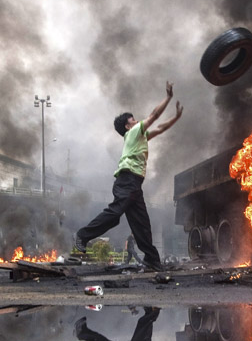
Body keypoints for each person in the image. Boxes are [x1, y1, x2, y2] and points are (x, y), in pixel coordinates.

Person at [73, 82, 184, 271]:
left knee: (142, 223)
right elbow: (154, 116)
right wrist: (168, 97)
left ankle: (152, 261)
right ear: (128, 125)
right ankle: (82, 236)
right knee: (115, 214)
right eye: (133, 119)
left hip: (134, 184)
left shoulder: (138, 136)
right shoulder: (133, 133)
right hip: (127, 180)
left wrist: (176, 117)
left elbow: (160, 128)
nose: (137, 121)